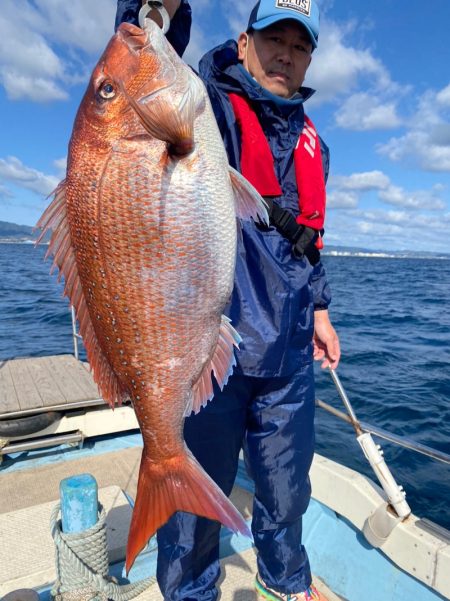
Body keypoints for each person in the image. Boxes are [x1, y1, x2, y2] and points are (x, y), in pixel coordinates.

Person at [116, 1, 341, 600]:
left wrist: (319, 309)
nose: (285, 54)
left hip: (289, 350)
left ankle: (286, 584)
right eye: (273, 38)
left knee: (287, 490)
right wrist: (154, 9)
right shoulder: (207, 104)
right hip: (211, 346)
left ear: (310, 58)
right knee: (192, 510)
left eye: (300, 45)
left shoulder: (315, 143)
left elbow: (309, 240)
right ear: (243, 43)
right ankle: (191, 593)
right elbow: (145, 49)